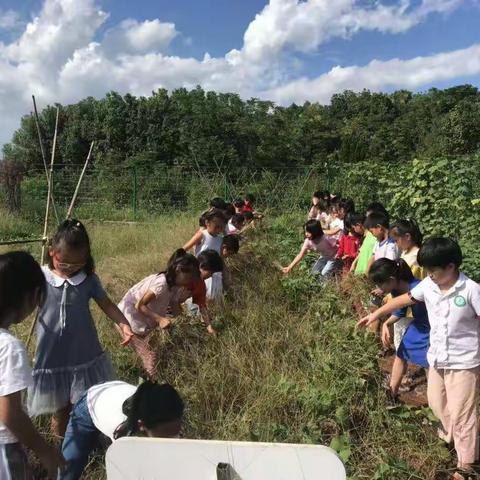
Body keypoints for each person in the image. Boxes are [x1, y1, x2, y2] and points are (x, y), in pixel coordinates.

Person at [358, 238, 480, 478]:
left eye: (434, 270)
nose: (429, 275)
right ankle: (452, 439)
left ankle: (466, 466)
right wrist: (376, 315)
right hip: (437, 358)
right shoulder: (429, 285)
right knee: (436, 402)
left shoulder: (471, 290)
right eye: (427, 270)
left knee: (463, 414)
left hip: (464, 362)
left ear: (451, 266)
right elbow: (403, 299)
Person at [28, 220, 133, 438]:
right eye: (63, 262)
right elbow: (22, 302)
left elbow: (107, 305)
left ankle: (82, 440)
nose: (69, 268)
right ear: (51, 252)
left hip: (83, 353)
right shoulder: (41, 277)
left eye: (77, 263)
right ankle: (61, 447)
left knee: (84, 401)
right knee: (60, 408)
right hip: (52, 355)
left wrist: (124, 324)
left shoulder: (88, 280)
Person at [0, 251, 65, 479]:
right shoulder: (9, 347)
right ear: (33, 295)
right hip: (4, 449)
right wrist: (44, 451)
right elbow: (10, 414)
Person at [60, 380, 184, 480]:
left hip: (113, 392)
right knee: (68, 471)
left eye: (175, 432)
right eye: (165, 435)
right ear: (142, 425)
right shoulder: (123, 435)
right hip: (88, 406)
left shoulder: (159, 410)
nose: (172, 439)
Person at [118, 249, 201, 377]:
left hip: (142, 321)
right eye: (189, 278)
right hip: (128, 319)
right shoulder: (161, 284)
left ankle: (144, 377)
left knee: (150, 353)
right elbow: (139, 305)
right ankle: (149, 385)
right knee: (149, 358)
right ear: (178, 270)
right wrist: (160, 319)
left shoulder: (175, 286)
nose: (189, 282)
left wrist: (185, 323)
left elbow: (175, 305)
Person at [367, 258, 430, 398]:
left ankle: (436, 398)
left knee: (429, 363)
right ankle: (391, 393)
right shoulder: (396, 290)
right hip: (419, 324)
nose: (378, 288)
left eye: (380, 284)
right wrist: (386, 324)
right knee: (401, 354)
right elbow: (399, 312)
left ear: (390, 279)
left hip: (433, 328)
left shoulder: (417, 287)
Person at [389, 219, 426, 350]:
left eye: (396, 240)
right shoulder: (405, 253)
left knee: (404, 343)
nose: (396, 244)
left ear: (407, 237)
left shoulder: (417, 257)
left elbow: (412, 281)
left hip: (410, 307)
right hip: (401, 304)